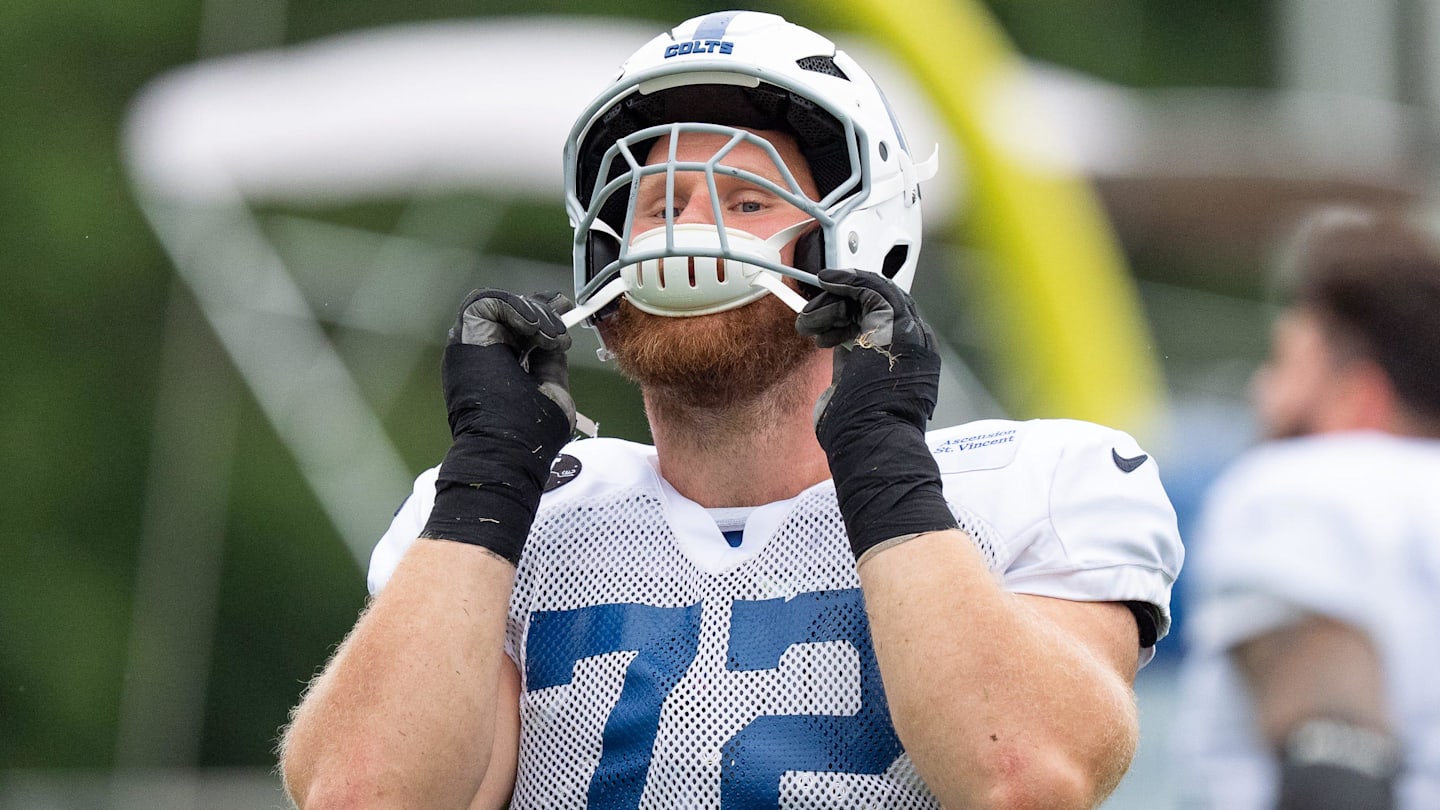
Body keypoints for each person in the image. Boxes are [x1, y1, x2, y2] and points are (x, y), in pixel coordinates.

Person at [279, 11, 1183, 809]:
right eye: (656, 202)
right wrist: (484, 488)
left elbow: (1025, 779)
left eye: (743, 200)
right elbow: (362, 797)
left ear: (856, 235)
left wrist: (881, 466)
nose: (683, 231)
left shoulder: (1031, 485)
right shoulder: (525, 519)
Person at [1173, 208, 1440, 809]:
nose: (1259, 391)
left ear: (1356, 398)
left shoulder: (1306, 485)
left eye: (1283, 365)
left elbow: (1335, 754)